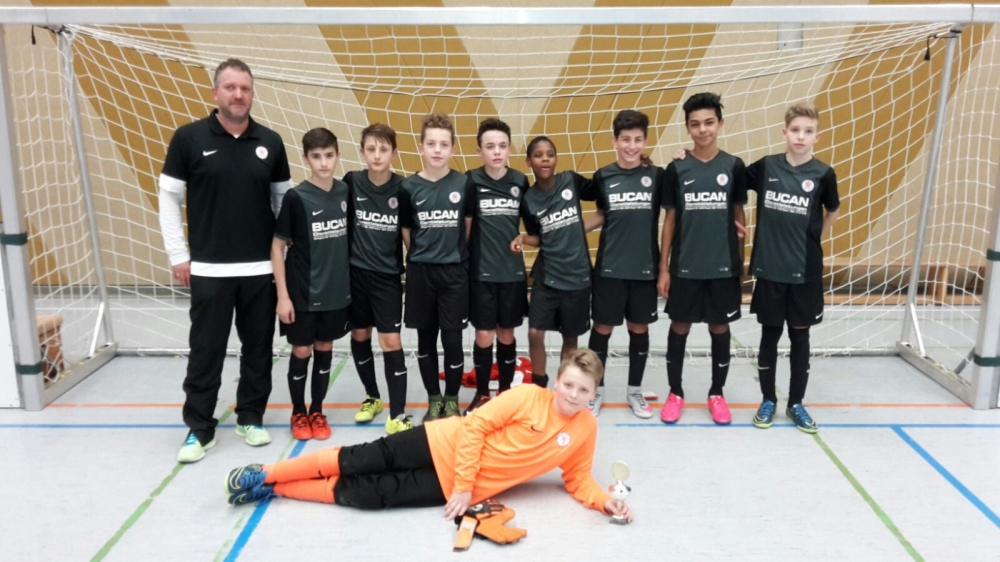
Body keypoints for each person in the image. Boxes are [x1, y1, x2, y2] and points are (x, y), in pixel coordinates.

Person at [223, 348, 633, 525]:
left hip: (449, 485)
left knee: (370, 495)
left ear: (593, 394)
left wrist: (604, 501)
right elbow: (473, 426)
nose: (573, 395)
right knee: (356, 460)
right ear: (556, 381)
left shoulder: (585, 428)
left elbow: (578, 477)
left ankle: (275, 489)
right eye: (568, 385)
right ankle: (267, 472)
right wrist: (466, 486)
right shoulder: (527, 396)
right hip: (441, 443)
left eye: (583, 390)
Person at [159, 58, 293, 463]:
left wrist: (282, 258)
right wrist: (179, 255)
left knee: (258, 351)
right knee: (206, 352)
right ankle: (200, 430)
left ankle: (250, 417)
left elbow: (283, 204)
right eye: (231, 87)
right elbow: (169, 199)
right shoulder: (188, 138)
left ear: (252, 94)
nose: (238, 95)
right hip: (209, 271)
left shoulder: (271, 141)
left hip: (259, 271)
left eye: (245, 88)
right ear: (215, 92)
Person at [748, 103, 839, 433]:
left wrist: (812, 237)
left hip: (805, 273)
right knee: (769, 335)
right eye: (796, 130)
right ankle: (768, 400)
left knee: (800, 337)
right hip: (770, 270)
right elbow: (729, 180)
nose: (801, 136)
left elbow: (832, 211)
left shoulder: (824, 174)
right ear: (784, 132)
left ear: (817, 136)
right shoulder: (766, 166)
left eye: (808, 131)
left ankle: (796, 403)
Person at [659, 93, 747, 426]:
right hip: (685, 267)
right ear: (687, 128)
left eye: (709, 122)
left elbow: (739, 216)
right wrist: (664, 268)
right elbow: (669, 221)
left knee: (719, 327)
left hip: (722, 267)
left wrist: (740, 263)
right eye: (695, 124)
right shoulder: (677, 168)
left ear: (720, 124)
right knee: (679, 327)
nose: (703, 129)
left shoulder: (734, 166)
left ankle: (716, 394)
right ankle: (675, 393)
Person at [271, 128, 350, 441]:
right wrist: (282, 296)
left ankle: (317, 410)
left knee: (325, 347)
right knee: (302, 349)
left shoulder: (345, 193)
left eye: (329, 155)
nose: (324, 163)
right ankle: (297, 412)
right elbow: (277, 247)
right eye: (316, 157)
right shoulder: (296, 197)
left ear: (338, 155)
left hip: (335, 292)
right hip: (302, 292)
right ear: (306, 159)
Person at [398, 113, 475, 422]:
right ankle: (434, 400)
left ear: (453, 149)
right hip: (421, 274)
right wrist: (423, 254)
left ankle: (452, 400)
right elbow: (407, 231)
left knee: (453, 340)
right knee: (425, 340)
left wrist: (450, 254)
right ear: (421, 147)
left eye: (444, 144)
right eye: (431, 144)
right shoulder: (407, 187)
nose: (437, 150)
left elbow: (466, 227)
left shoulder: (464, 183)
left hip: (453, 273)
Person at [585, 109, 662, 418]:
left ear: (645, 141)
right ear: (614, 141)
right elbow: (603, 213)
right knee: (602, 328)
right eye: (626, 139)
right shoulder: (603, 176)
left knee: (638, 328)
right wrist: (569, 230)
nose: (632, 146)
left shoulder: (657, 176)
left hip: (644, 269)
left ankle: (634, 391)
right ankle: (595, 390)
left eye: (638, 139)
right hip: (609, 268)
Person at [512, 136, 602, 389]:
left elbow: (604, 190)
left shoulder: (570, 180)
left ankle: (564, 387)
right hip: (547, 276)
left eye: (550, 154)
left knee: (570, 337)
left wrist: (579, 227)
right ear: (529, 161)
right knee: (534, 332)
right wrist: (522, 238)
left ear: (556, 159)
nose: (545, 159)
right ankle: (539, 386)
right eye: (538, 155)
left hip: (578, 276)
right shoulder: (528, 200)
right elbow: (541, 237)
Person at [343, 124, 413, 434]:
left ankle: (397, 414)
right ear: (362, 152)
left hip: (387, 277)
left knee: (390, 340)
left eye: (383, 149)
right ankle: (372, 397)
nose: (377, 155)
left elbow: (409, 234)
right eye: (371, 149)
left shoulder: (404, 188)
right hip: (355, 275)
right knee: (360, 335)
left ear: (394, 153)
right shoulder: (351, 182)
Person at [465, 118, 530, 413]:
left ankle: (504, 392)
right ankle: (481, 394)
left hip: (512, 273)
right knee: (483, 335)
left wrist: (524, 238)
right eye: (490, 146)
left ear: (509, 149)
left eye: (502, 146)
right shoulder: (470, 180)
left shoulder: (519, 181)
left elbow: (531, 224)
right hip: (481, 273)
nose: (496, 152)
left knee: (506, 334)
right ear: (479, 150)